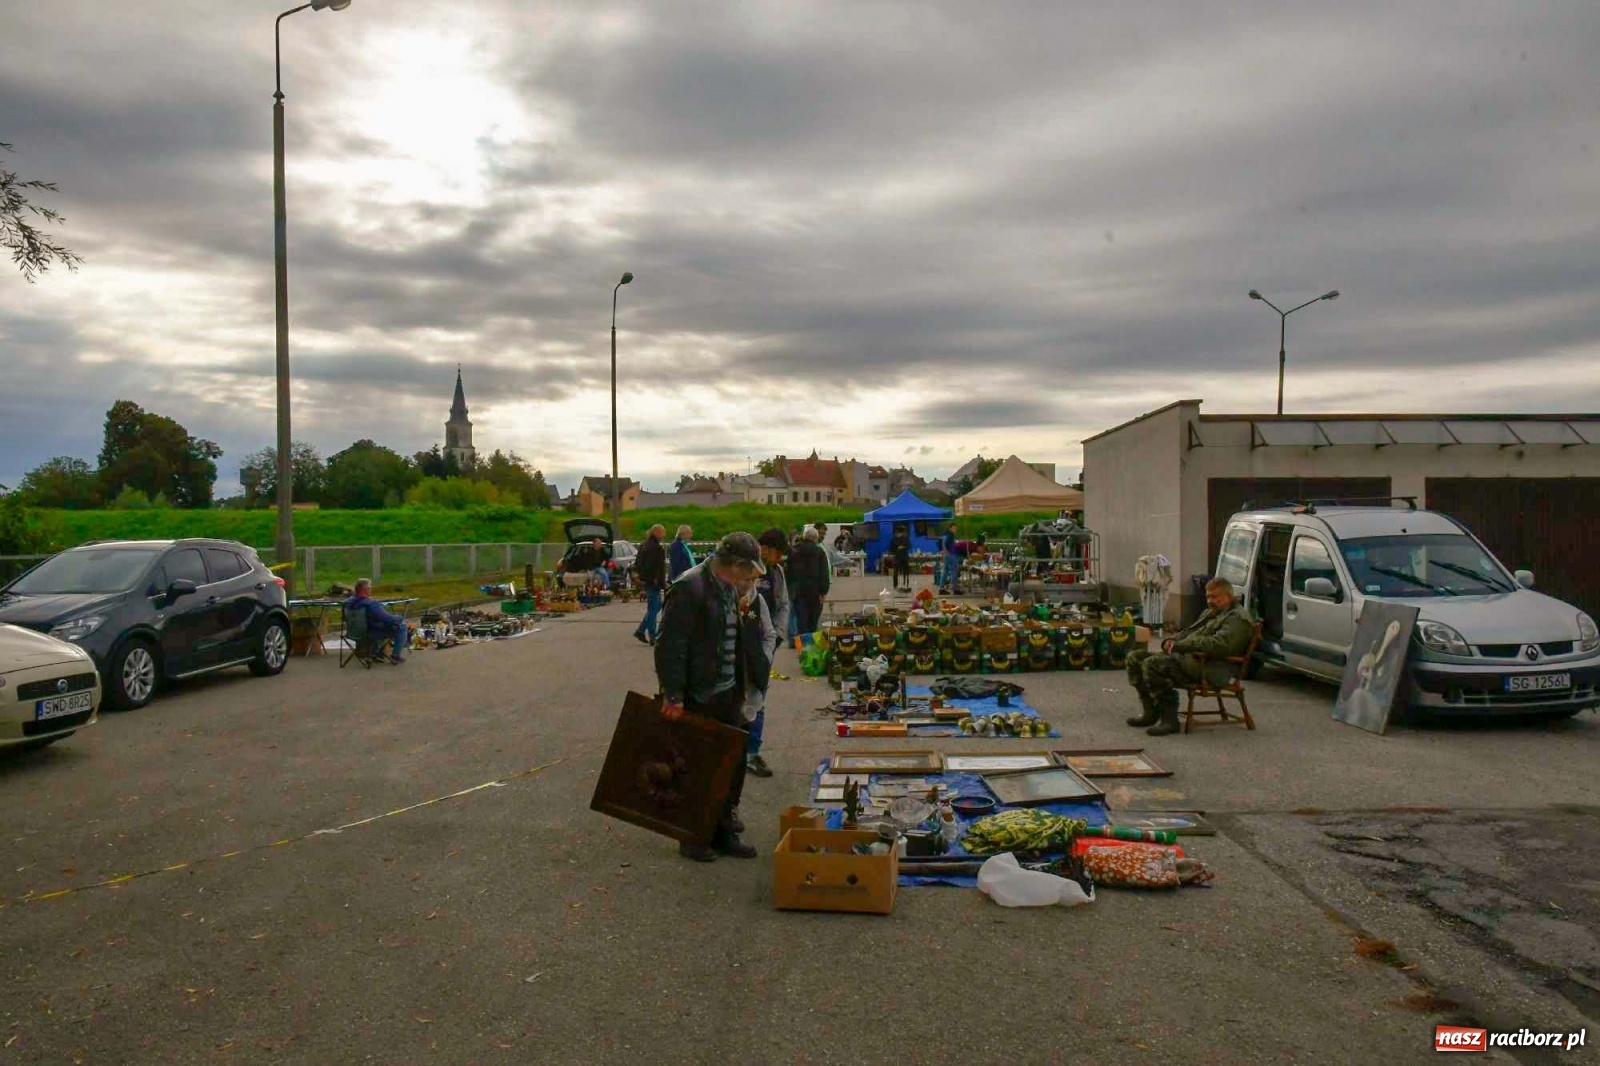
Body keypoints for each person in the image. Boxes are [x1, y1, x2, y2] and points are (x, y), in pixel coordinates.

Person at [654, 533, 769, 861]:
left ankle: (722, 833)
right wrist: (673, 694)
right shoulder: (689, 588)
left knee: (730, 765)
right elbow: (670, 645)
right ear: (734, 565)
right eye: (748, 571)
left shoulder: (730, 588)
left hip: (727, 692)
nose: (750, 578)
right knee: (696, 768)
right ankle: (693, 837)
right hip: (698, 694)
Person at [1124, 577, 1255, 736]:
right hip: (1191, 660)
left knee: (1152, 664)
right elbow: (1188, 632)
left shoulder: (1237, 619)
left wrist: (1181, 646)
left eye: (1215, 597)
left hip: (1211, 669)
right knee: (1135, 657)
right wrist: (1171, 640)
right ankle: (1150, 712)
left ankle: (1169, 720)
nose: (1210, 600)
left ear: (1228, 596)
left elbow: (1219, 645)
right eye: (1208, 596)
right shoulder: (1211, 612)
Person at [744, 529, 790, 779]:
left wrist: (777, 635)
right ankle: (737, 751)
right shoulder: (745, 570)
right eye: (778, 552)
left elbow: (783, 604)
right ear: (764, 549)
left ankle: (751, 752)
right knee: (739, 697)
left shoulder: (777, 572)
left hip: (765, 644)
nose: (780, 558)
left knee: (758, 696)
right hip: (742, 643)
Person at [344, 578, 411, 664]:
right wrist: (400, 617)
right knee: (402, 626)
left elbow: (344, 619)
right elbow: (387, 619)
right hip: (369, 634)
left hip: (352, 633)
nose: (371, 589)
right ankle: (395, 655)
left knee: (379, 625)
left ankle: (375, 653)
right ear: (366, 590)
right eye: (370, 588)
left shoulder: (347, 603)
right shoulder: (371, 604)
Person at [786, 526, 831, 635]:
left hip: (798, 591)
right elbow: (824, 573)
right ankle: (811, 644)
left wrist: (790, 589)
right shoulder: (819, 552)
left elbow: (788, 572)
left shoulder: (794, 551)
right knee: (812, 622)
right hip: (815, 592)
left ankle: (802, 645)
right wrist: (823, 591)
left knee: (801, 621)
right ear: (815, 538)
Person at [633, 524, 667, 646]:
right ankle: (653, 636)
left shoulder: (644, 545)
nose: (664, 535)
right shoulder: (656, 548)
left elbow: (638, 563)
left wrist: (640, 577)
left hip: (647, 580)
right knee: (653, 608)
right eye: (663, 532)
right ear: (657, 533)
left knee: (656, 606)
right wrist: (661, 582)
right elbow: (657, 568)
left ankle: (641, 630)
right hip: (653, 582)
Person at [888, 522, 912, 591]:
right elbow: (891, 548)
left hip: (904, 556)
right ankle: (896, 585)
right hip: (898, 556)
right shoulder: (894, 539)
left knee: (906, 571)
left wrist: (902, 547)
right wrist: (897, 548)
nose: (901, 533)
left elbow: (909, 546)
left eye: (902, 532)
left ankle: (906, 583)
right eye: (900, 532)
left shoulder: (906, 538)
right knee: (896, 571)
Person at [940, 524, 961, 594]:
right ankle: (955, 589)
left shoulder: (944, 534)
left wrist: (943, 550)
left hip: (945, 555)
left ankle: (941, 589)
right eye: (954, 528)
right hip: (950, 554)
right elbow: (946, 543)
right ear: (950, 528)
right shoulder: (950, 534)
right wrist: (948, 550)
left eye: (956, 528)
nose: (955, 530)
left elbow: (939, 543)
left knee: (945, 571)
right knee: (954, 571)